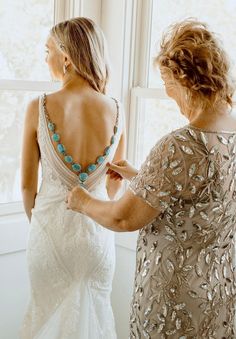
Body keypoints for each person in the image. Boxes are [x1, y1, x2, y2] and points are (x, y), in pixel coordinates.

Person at [67, 19, 236, 338]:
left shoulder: (180, 146)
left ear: (184, 79)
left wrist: (82, 201)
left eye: (166, 80)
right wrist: (140, 175)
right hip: (220, 296)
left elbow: (122, 218)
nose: (167, 92)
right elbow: (204, 193)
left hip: (173, 304)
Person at [20, 17, 125, 339]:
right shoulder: (116, 109)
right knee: (95, 316)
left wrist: (40, 225)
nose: (45, 57)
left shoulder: (39, 107)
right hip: (97, 238)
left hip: (50, 235)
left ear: (66, 57)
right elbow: (114, 182)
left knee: (43, 319)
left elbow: (27, 185)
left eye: (48, 49)